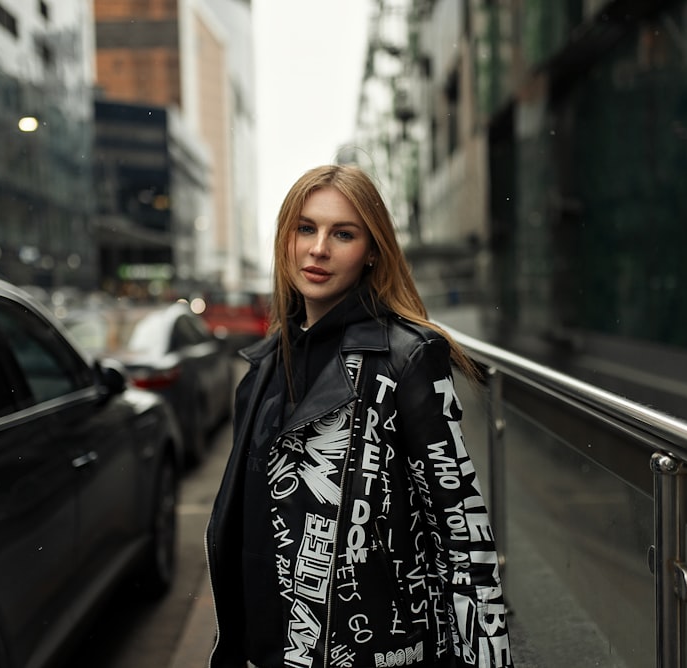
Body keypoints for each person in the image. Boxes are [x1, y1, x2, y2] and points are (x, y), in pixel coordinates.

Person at [205, 164, 514, 668]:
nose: (318, 248)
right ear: (286, 239)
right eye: (305, 228)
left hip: (369, 651)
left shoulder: (408, 357)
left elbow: (461, 532)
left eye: (342, 233)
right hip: (265, 649)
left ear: (373, 252)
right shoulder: (264, 366)